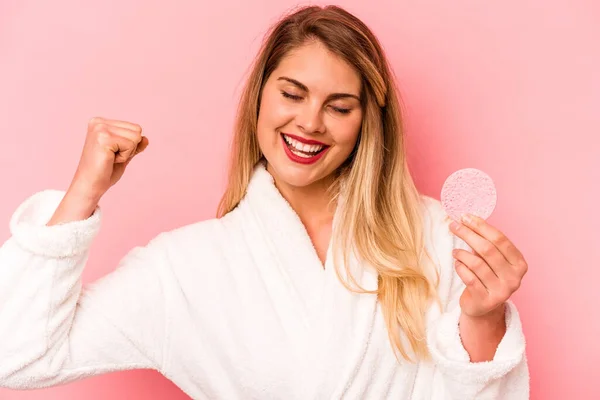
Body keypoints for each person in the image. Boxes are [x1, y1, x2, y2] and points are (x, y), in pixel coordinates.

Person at [0, 5, 529, 399]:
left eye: (339, 107)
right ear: (259, 95)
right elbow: (17, 354)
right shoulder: (184, 268)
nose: (310, 123)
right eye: (292, 94)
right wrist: (81, 195)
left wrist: (483, 319)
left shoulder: (436, 238)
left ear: (367, 122)